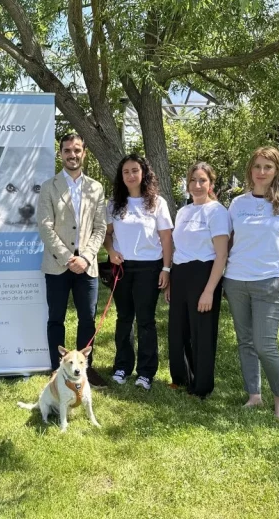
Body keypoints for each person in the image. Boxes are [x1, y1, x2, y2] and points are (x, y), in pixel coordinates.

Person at [223, 146, 279, 419]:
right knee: (246, 342)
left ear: (277, 170)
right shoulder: (238, 204)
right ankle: (254, 395)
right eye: (257, 166)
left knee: (266, 345)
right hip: (236, 282)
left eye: (268, 167)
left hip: (270, 284)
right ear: (250, 170)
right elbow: (227, 241)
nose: (261, 172)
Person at [37, 133, 108, 387]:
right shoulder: (49, 187)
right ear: (61, 154)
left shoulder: (96, 188)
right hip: (57, 265)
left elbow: (100, 227)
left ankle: (85, 369)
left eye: (77, 150)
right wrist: (69, 259)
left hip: (87, 267)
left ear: (84, 153)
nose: (72, 155)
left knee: (87, 319)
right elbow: (45, 227)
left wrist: (86, 257)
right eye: (67, 150)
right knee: (56, 318)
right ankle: (57, 370)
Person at [104, 154, 173, 390]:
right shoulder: (114, 204)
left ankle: (145, 372)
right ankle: (122, 367)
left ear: (143, 173)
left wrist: (166, 268)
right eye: (126, 172)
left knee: (145, 321)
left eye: (135, 170)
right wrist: (111, 251)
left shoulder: (156, 203)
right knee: (124, 318)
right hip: (122, 268)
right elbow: (107, 234)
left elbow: (166, 238)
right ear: (121, 177)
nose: (131, 175)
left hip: (149, 268)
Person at [166, 162, 229, 398]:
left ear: (211, 184)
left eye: (203, 180)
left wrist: (209, 291)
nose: (197, 185)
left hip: (204, 274)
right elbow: (176, 248)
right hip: (180, 273)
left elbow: (221, 255)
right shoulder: (183, 212)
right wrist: (172, 281)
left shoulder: (217, 212)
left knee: (201, 332)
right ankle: (180, 378)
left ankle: (201, 385)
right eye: (193, 180)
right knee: (178, 330)